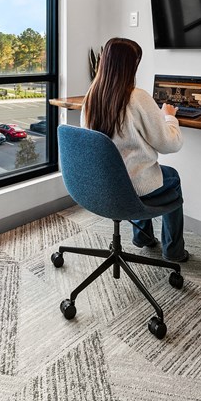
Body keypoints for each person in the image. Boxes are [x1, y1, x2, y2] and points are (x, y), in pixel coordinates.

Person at [81, 37, 188, 262]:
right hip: (131, 185)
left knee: (134, 169)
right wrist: (169, 118)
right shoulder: (137, 97)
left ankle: (142, 236)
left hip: (101, 183)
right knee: (171, 177)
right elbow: (171, 144)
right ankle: (174, 251)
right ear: (132, 65)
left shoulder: (92, 96)